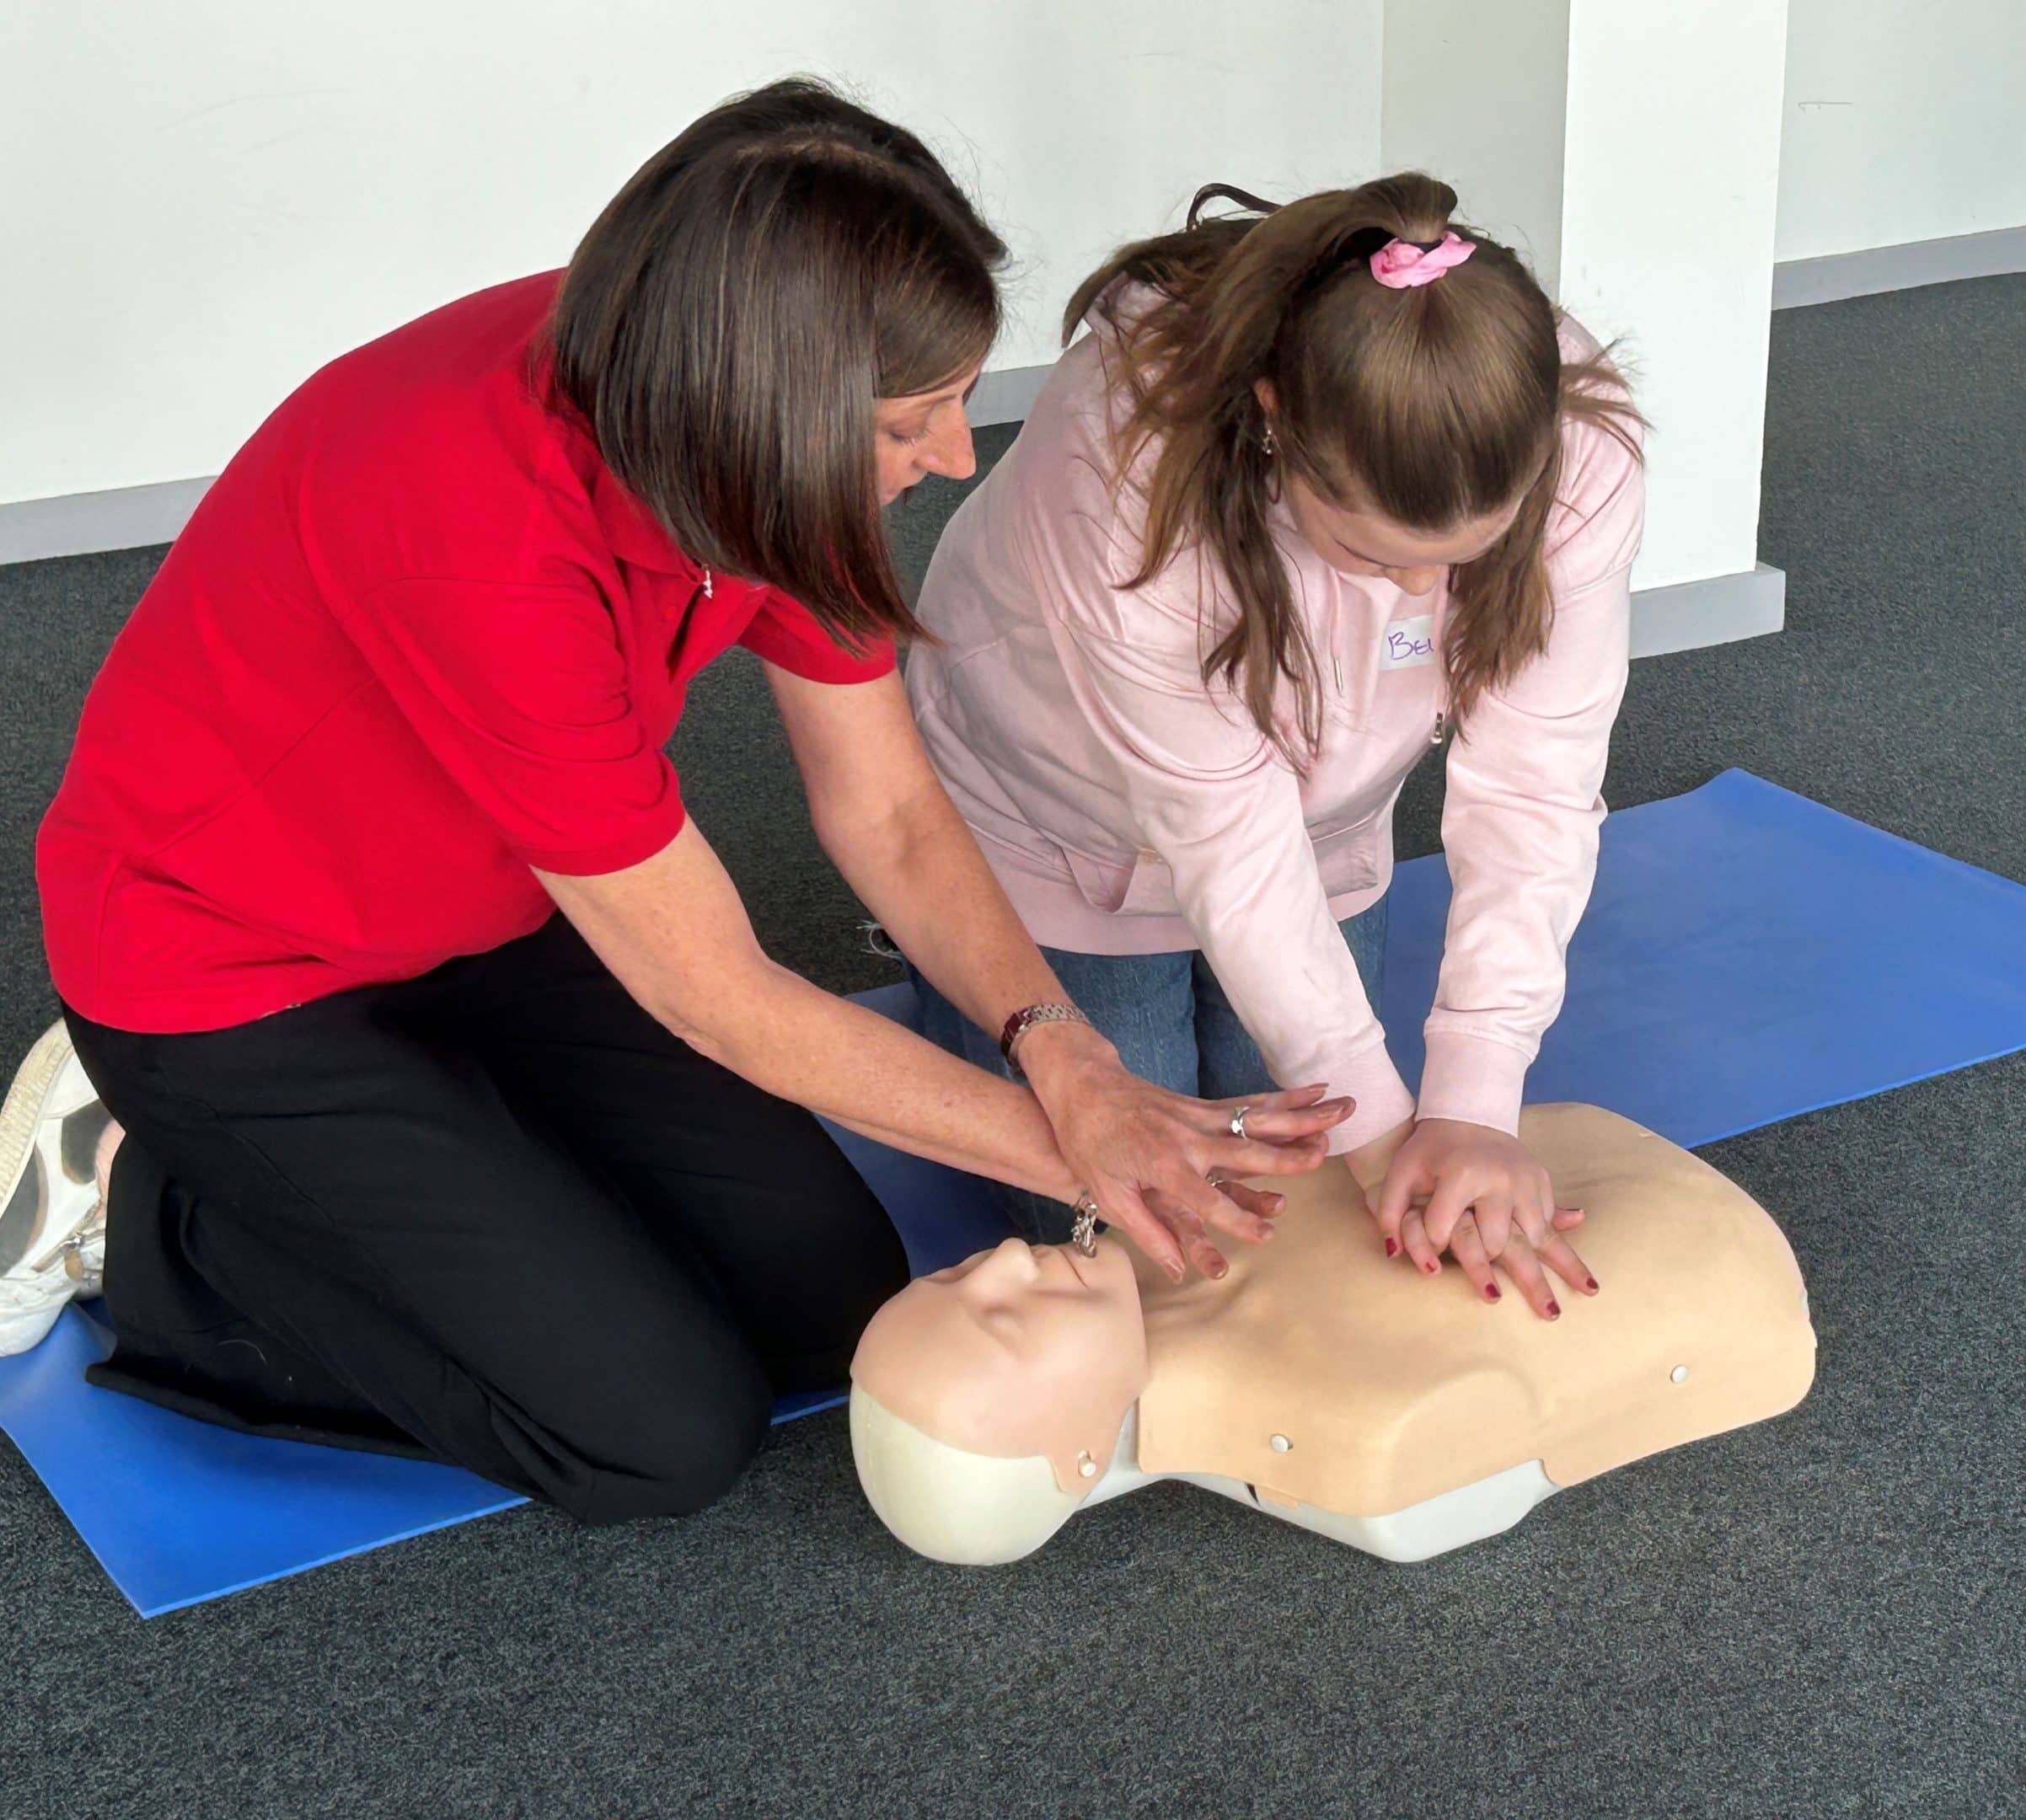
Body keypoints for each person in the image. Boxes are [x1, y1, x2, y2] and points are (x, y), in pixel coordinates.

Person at [0, 80, 1345, 1523]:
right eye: (918, 419)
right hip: (226, 971)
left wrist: (1062, 1051)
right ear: (759, 415)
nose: (960, 457)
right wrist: (1091, 1151)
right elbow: (718, 997)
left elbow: (885, 810)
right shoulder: (479, 530)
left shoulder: (730, 413)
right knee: (658, 1436)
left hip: (505, 911)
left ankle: (446, 1164)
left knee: (828, 1306)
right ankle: (140, 1205)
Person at [903, 174, 1646, 1313]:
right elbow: (1225, 837)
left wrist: (1469, 1104)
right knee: (1164, 1243)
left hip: (1318, 820)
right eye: (1375, 550)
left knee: (1303, 1194)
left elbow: (1537, 781)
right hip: (1057, 809)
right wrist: (1387, 1137)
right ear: (1274, 418)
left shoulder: (1571, 444)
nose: (1425, 592)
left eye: (1464, 554)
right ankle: (945, 971)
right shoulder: (1124, 469)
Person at [847, 1104, 1818, 1566]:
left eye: (958, 1272)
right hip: (1667, 1246)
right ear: (1082, 1459)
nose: (1013, 1258)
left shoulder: (1136, 1251)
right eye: (1008, 1322)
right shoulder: (1351, 1435)